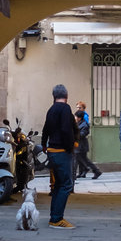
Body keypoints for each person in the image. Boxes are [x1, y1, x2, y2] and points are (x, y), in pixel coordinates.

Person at [41, 84, 77, 229]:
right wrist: (71, 146)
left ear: (54, 96)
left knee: (58, 185)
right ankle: (57, 219)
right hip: (62, 151)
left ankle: (53, 217)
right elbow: (66, 129)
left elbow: (45, 129)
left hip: (51, 151)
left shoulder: (51, 109)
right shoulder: (66, 109)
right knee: (66, 185)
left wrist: (44, 144)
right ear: (66, 97)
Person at [73, 109, 102, 180]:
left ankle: (95, 170)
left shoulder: (84, 125)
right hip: (78, 145)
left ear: (79, 117)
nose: (75, 118)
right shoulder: (78, 123)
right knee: (81, 160)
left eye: (76, 117)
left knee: (82, 160)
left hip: (81, 146)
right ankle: (86, 170)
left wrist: (74, 134)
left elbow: (82, 134)